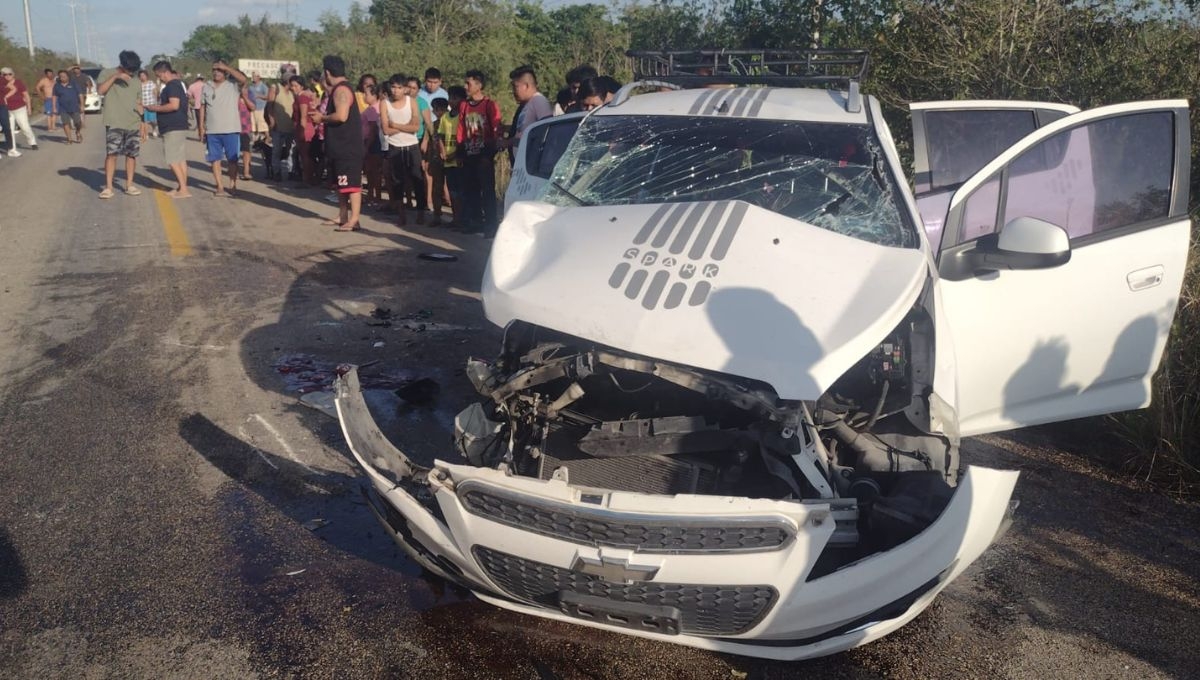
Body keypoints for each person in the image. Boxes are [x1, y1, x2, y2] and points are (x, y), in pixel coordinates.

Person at [308, 55, 364, 232]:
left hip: (348, 147)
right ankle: (343, 215)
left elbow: (341, 116)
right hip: (339, 146)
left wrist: (321, 118)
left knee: (352, 185)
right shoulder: (338, 90)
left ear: (327, 72)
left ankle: (354, 219)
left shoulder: (342, 91)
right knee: (341, 184)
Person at [456, 69, 501, 234]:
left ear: (479, 85)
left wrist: (490, 153)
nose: (465, 86)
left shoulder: (489, 105)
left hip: (484, 155)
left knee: (487, 190)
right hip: (469, 153)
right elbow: (461, 129)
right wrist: (460, 151)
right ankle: (475, 221)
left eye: (469, 83)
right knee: (471, 190)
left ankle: (491, 224)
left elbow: (496, 131)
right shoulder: (464, 105)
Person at [97, 51, 144, 197]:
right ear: (122, 65)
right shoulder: (107, 73)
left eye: (133, 70)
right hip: (114, 122)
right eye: (129, 69)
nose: (131, 72)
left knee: (131, 155)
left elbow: (139, 103)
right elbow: (100, 91)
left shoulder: (136, 80)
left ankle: (129, 185)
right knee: (112, 154)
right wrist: (116, 77)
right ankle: (109, 187)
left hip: (133, 122)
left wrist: (144, 123)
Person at [198, 60, 248, 196]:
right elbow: (202, 107)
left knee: (232, 159)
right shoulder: (206, 86)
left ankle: (232, 185)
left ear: (225, 72)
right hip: (212, 130)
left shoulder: (233, 86)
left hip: (231, 129)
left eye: (219, 70)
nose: (216, 72)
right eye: (214, 69)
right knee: (214, 159)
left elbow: (243, 79)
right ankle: (219, 186)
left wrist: (226, 66)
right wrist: (201, 127)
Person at [379, 76, 422, 226]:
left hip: (412, 146)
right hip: (394, 147)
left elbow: (416, 127)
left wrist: (395, 125)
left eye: (399, 87)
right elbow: (385, 129)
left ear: (405, 89)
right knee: (397, 181)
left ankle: (421, 213)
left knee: (417, 179)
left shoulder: (412, 102)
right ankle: (401, 214)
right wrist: (405, 127)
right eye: (393, 87)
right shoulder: (385, 104)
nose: (395, 90)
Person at [144, 61, 190, 198]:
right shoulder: (177, 85)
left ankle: (184, 190)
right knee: (180, 158)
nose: (159, 78)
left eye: (159, 75)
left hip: (173, 127)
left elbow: (174, 105)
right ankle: (182, 186)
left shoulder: (172, 86)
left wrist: (155, 108)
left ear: (164, 72)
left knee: (172, 159)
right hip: (178, 125)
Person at [506, 65, 553, 159]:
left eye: (515, 87)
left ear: (526, 86)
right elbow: (524, 130)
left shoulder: (539, 101)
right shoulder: (527, 104)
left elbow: (545, 131)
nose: (513, 91)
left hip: (531, 163)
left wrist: (509, 142)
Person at [437, 86, 466, 228]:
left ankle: (462, 219)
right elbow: (440, 136)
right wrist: (442, 151)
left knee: (461, 191)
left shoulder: (463, 116)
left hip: (459, 159)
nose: (452, 101)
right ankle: (455, 219)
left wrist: (455, 154)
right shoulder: (445, 118)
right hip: (447, 160)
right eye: (451, 98)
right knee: (452, 191)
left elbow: (465, 139)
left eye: (456, 98)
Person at [266, 72, 296, 181]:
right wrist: (272, 121)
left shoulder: (293, 92)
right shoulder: (275, 88)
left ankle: (291, 171)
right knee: (277, 151)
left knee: (291, 152)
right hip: (278, 126)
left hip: (291, 127)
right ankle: (276, 172)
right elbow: (270, 105)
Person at [288, 75, 317, 184]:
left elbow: (303, 116)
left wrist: (301, 131)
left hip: (304, 127)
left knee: (305, 155)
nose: (293, 88)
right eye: (292, 86)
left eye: (295, 86)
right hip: (302, 127)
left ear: (301, 86)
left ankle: (307, 179)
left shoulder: (302, 98)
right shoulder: (302, 97)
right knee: (305, 154)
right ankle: (309, 177)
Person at [2, 67, 38, 153]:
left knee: (24, 127)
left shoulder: (18, 82)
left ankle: (32, 142)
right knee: (9, 129)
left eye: (9, 74)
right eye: (4, 74)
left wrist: (29, 108)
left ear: (13, 74)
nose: (7, 76)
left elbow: (26, 95)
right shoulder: (1, 84)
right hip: (7, 110)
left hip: (20, 108)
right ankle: (12, 148)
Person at [359, 83, 384, 206]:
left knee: (373, 171)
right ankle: (371, 195)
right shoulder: (373, 107)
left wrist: (367, 146)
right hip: (371, 142)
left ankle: (375, 196)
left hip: (372, 142)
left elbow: (373, 129)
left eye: (367, 94)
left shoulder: (373, 109)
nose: (364, 96)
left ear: (374, 95)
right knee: (371, 171)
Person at [51, 69, 83, 144]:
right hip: (63, 108)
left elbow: (80, 94)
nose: (62, 78)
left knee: (78, 122)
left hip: (74, 107)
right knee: (65, 123)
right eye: (61, 76)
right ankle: (69, 139)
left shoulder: (74, 84)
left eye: (64, 76)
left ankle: (78, 132)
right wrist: (54, 107)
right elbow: (54, 96)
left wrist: (82, 105)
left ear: (68, 77)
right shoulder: (57, 86)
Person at [238, 83, 255, 180]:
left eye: (245, 87)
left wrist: (245, 97)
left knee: (246, 150)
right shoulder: (233, 96)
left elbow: (252, 107)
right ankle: (233, 169)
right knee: (234, 151)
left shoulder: (249, 94)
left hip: (246, 127)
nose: (243, 89)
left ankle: (246, 171)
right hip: (233, 127)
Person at [247, 72, 269, 141]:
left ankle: (268, 137)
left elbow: (267, 96)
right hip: (252, 108)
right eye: (253, 76)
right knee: (253, 123)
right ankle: (255, 138)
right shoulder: (251, 87)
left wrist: (259, 96)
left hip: (261, 107)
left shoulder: (263, 86)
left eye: (255, 76)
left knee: (261, 123)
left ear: (259, 77)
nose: (253, 78)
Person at [138, 70, 158, 141]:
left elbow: (155, 93)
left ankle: (154, 128)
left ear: (146, 76)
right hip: (143, 105)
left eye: (143, 75)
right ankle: (146, 135)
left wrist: (155, 103)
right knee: (145, 121)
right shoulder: (139, 85)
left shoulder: (151, 83)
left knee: (153, 121)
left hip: (151, 104)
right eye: (141, 76)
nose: (142, 77)